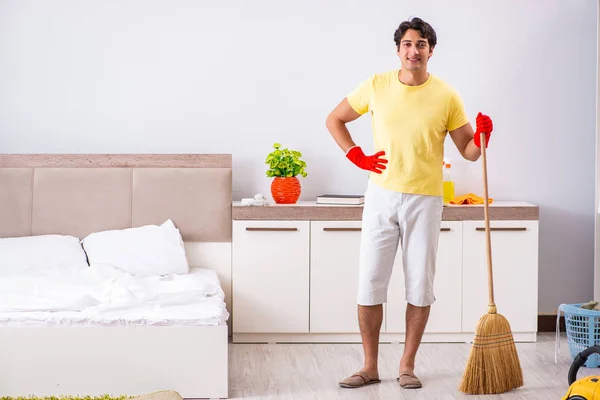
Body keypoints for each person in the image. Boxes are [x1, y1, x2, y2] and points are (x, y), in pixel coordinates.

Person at [325, 16, 493, 390]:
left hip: (425, 200)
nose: (413, 50)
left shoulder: (447, 95)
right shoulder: (377, 85)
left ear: (431, 50)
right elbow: (335, 119)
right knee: (370, 282)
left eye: (420, 44)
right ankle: (369, 366)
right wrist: (357, 156)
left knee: (419, 284)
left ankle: (407, 364)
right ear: (398, 49)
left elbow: (468, 151)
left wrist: (482, 137)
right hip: (381, 196)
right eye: (407, 44)